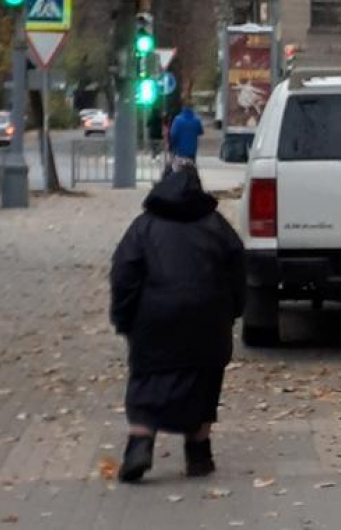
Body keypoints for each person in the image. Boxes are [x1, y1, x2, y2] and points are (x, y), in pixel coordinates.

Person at [110, 165, 246, 483]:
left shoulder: (143, 227)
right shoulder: (217, 226)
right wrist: (234, 310)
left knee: (147, 379)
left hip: (155, 318)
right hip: (209, 318)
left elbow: (124, 273)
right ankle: (199, 453)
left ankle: (140, 445)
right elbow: (238, 268)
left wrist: (123, 316)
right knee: (204, 379)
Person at [169, 102, 204, 169]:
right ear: (192, 109)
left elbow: (173, 134)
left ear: (183, 109)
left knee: (179, 169)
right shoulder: (196, 120)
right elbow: (200, 132)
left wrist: (171, 147)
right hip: (192, 150)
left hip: (179, 150)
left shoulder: (177, 120)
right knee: (191, 169)